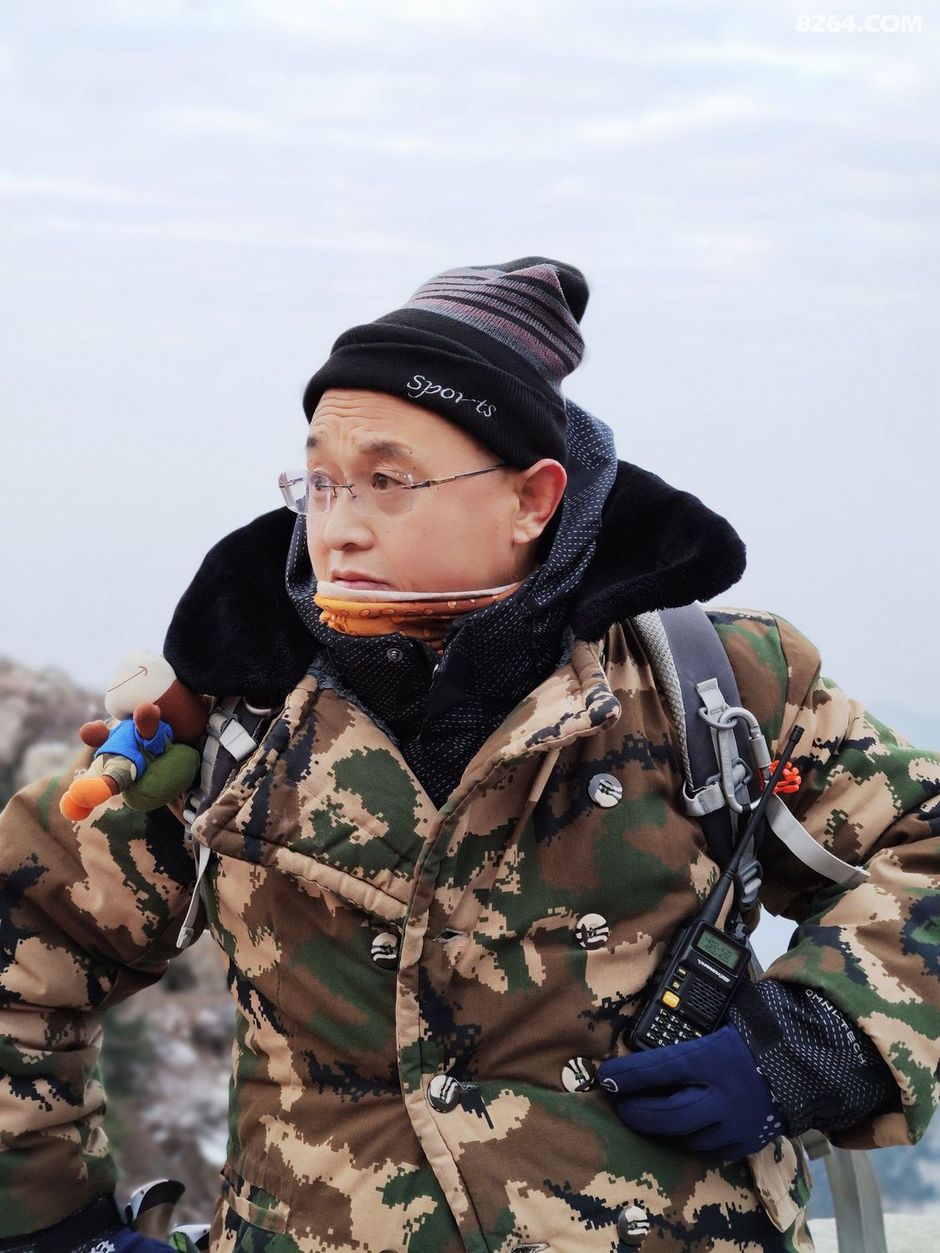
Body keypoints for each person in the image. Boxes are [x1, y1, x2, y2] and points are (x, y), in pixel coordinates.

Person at [1, 257, 938, 1253]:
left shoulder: (712, 687)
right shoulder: (235, 713)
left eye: (387, 481)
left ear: (532, 498)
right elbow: (29, 928)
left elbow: (920, 834)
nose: (337, 528)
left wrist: (817, 1041)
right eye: (320, 481)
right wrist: (57, 1228)